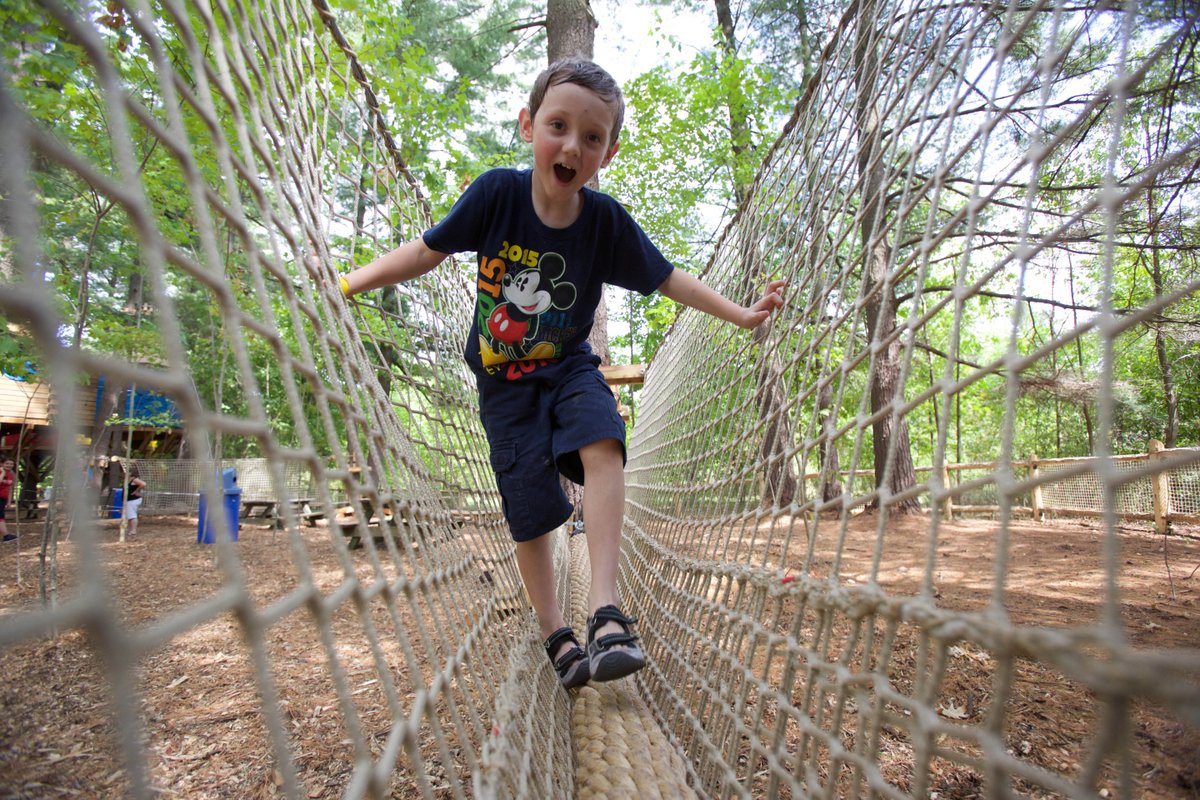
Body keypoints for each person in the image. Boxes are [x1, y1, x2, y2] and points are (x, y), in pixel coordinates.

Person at [338, 59, 785, 688]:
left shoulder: (603, 223)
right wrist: (348, 282)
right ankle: (557, 633)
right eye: (558, 125)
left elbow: (668, 278)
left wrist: (739, 315)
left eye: (593, 136)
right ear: (528, 126)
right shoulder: (496, 195)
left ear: (609, 151)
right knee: (532, 513)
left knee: (605, 443)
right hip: (504, 385)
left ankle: (605, 610)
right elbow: (424, 252)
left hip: (571, 365)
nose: (573, 145)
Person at [122, 462, 146, 538]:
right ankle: (130, 530)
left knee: (132, 516)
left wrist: (136, 491)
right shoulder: (129, 480)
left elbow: (143, 484)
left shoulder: (134, 480)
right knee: (130, 516)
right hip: (129, 500)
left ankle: (133, 530)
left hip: (133, 500)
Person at [0, 458, 15, 542]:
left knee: (1, 516)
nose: (9, 465)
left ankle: (6, 535)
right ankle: (6, 535)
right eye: (7, 463)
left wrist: (9, 501)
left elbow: (9, 488)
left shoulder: (11, 474)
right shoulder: (1, 472)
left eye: (11, 464)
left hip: (3, 498)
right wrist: (2, 473)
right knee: (0, 517)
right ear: (2, 464)